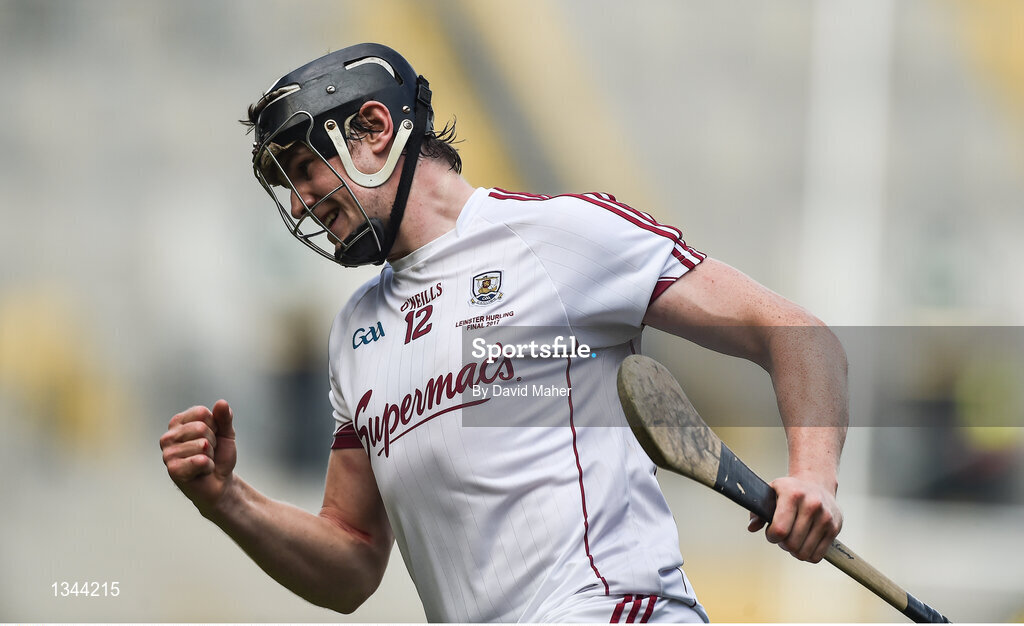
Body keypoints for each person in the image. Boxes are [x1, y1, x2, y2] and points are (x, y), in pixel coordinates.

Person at [159, 43, 848, 623]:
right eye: (288, 186)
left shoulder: (559, 235)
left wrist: (814, 478)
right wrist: (229, 501)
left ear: (374, 127)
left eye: (306, 169)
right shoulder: (355, 335)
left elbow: (791, 331)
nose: (301, 201)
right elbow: (351, 558)